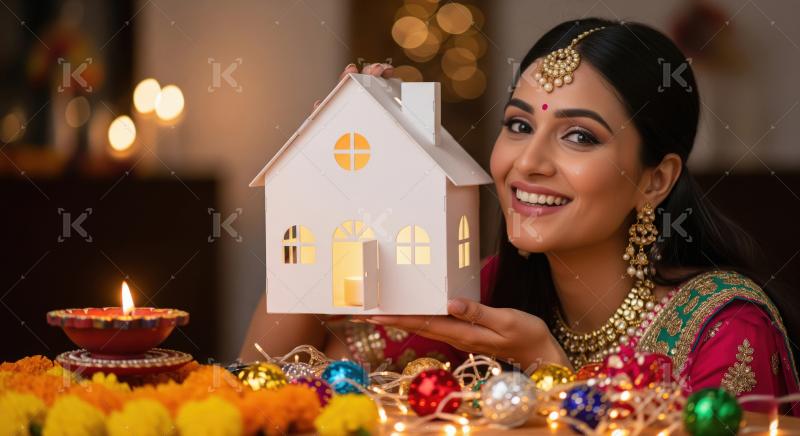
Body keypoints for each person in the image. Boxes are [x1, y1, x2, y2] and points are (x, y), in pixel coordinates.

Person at [241, 18, 800, 413]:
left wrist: (546, 367)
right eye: (518, 124)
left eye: (579, 136)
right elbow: (274, 384)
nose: (528, 163)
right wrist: (326, 188)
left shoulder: (725, 331)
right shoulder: (483, 295)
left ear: (655, 180)